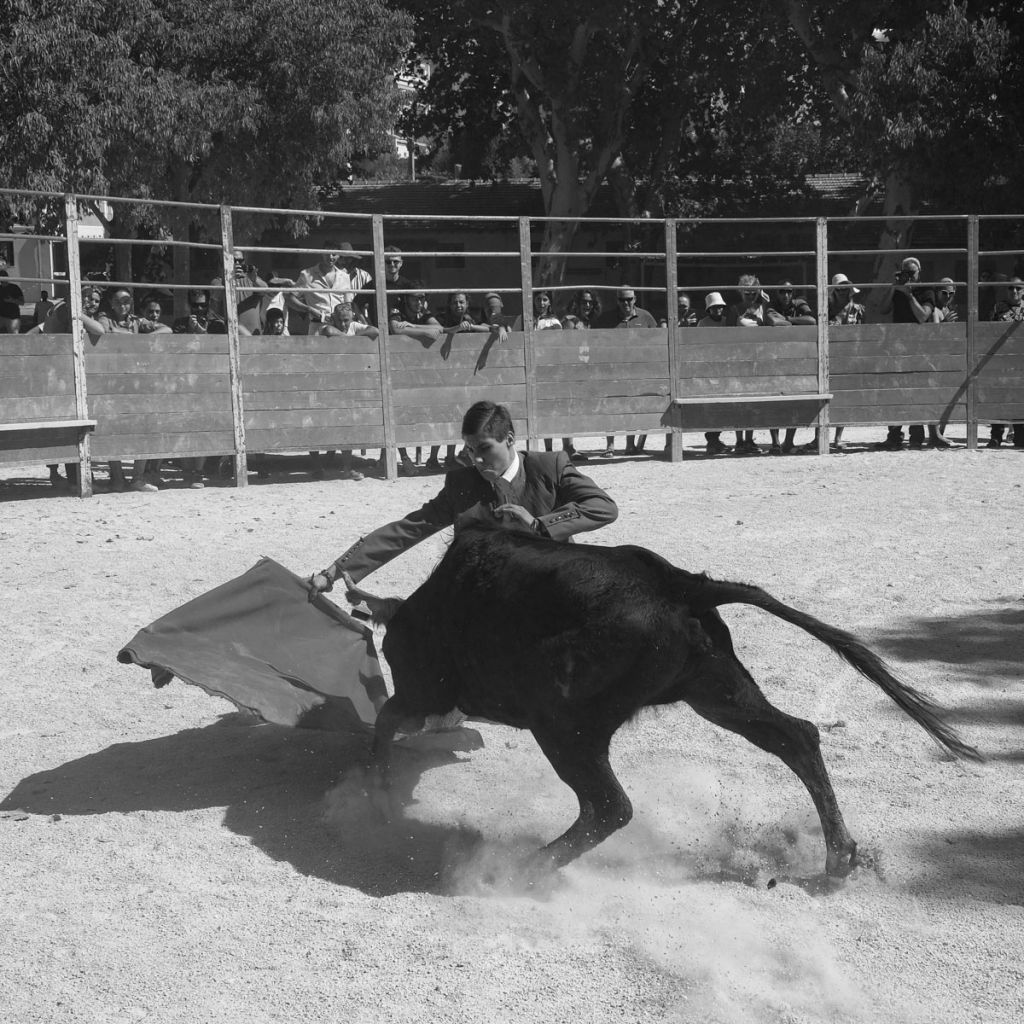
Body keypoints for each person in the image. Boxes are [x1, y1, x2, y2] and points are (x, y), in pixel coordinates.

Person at [306, 400, 619, 590]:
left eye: (484, 449)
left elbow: (604, 507)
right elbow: (407, 530)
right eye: (470, 450)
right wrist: (334, 572)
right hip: (486, 594)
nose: (476, 460)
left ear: (509, 439)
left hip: (550, 584)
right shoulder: (461, 484)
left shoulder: (549, 467)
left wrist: (540, 525)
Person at [881, 257, 950, 449]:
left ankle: (917, 436)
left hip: (920, 347)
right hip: (899, 346)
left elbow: (922, 316)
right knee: (896, 392)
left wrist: (909, 295)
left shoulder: (926, 291)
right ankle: (894, 436)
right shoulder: (899, 289)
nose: (909, 276)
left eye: (912, 273)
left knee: (919, 391)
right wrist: (894, 288)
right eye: (906, 273)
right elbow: (883, 308)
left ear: (920, 272)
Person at [596, 286, 657, 456]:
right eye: (622, 300)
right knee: (611, 407)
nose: (626, 303)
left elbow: (657, 342)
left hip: (638, 371)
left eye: (629, 299)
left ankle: (630, 444)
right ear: (617, 301)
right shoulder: (606, 318)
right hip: (612, 371)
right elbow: (596, 343)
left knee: (633, 407)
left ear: (635, 299)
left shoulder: (646, 317)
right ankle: (610, 445)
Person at [766, 281, 817, 453]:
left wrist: (787, 320)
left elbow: (811, 320)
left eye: (788, 291)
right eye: (782, 291)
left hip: (796, 355)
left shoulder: (799, 304)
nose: (785, 295)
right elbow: (773, 321)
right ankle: (775, 443)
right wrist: (796, 323)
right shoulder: (772, 305)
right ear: (777, 293)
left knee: (794, 399)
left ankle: (788, 442)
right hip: (774, 356)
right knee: (773, 401)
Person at [988, 276, 1024, 447]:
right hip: (1000, 360)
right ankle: (996, 435)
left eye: (1018, 288)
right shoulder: (998, 307)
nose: (1014, 291)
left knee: (1020, 398)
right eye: (1011, 288)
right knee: (998, 398)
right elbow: (989, 329)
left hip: (1021, 360)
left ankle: (1020, 434)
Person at [696, 293, 731, 455]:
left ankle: (714, 440)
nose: (718, 310)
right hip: (709, 368)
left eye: (720, 307)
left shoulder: (726, 322)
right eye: (715, 307)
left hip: (724, 368)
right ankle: (712, 439)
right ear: (709, 309)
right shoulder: (702, 324)